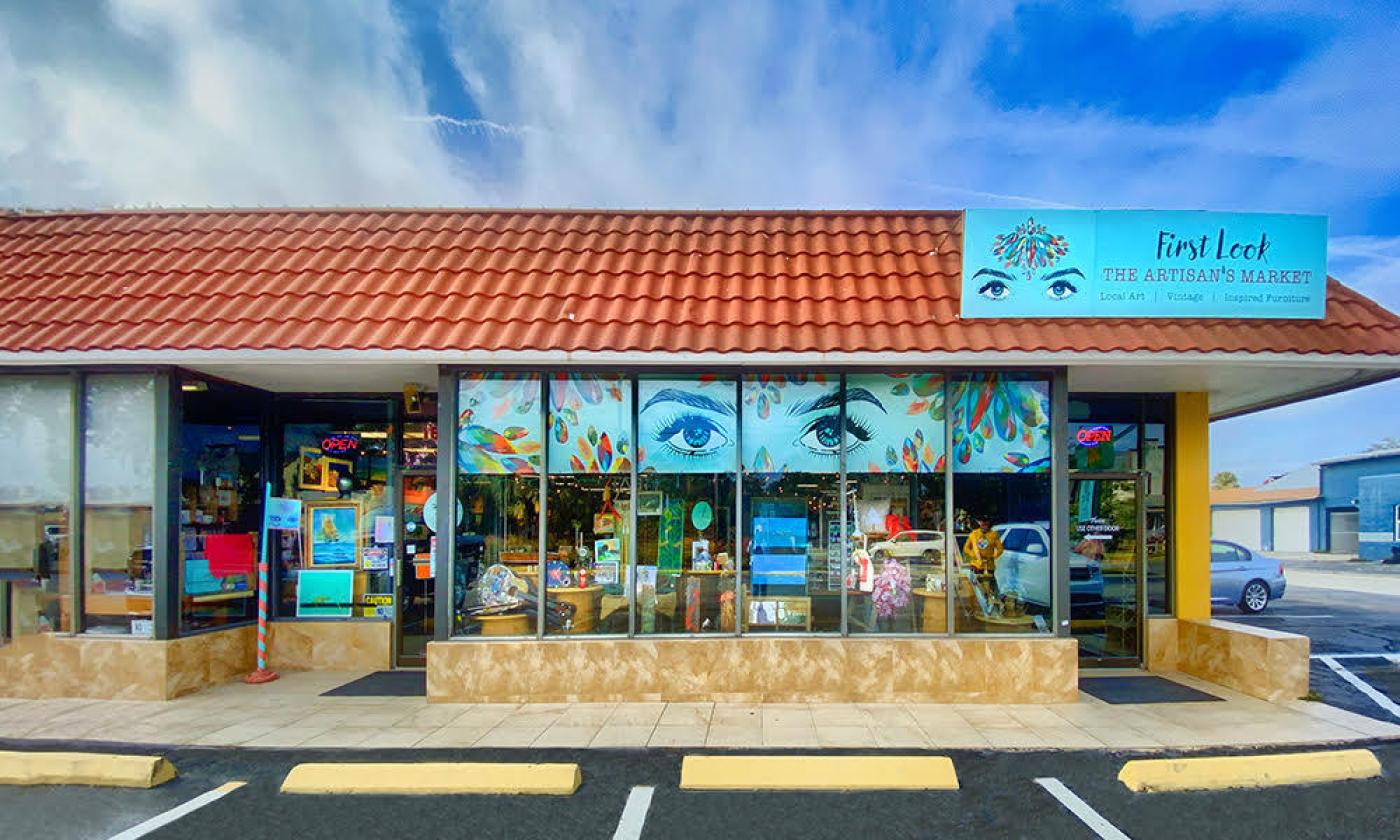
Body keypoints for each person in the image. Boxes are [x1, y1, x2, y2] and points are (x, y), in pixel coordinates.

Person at [963, 516, 1004, 594]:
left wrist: (993, 556)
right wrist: (974, 555)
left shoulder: (994, 534)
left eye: (986, 523)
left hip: (989, 566)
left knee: (991, 589)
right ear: (980, 523)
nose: (984, 525)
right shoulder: (973, 534)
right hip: (976, 565)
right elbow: (966, 548)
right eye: (982, 522)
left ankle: (991, 601)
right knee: (975, 589)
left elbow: (1000, 549)